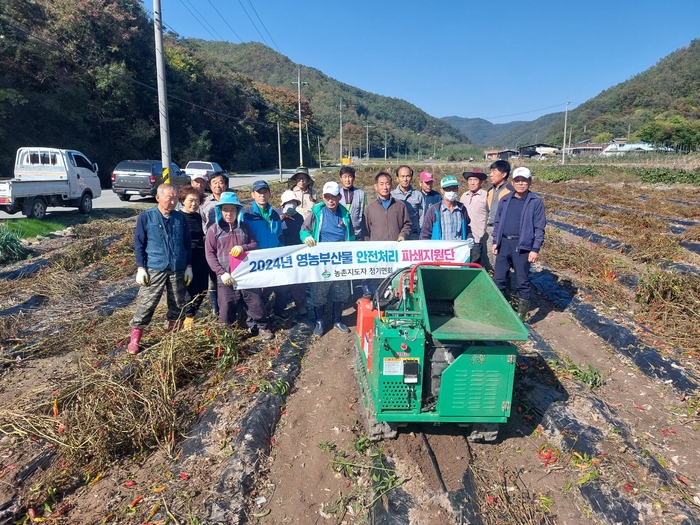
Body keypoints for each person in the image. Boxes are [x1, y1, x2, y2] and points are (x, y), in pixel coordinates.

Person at [127, 184, 193, 354]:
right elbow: (139, 243)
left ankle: (173, 335)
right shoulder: (147, 217)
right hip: (155, 267)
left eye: (175, 198)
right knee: (147, 303)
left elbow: (187, 243)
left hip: (177, 267)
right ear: (158, 198)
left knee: (178, 303)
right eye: (169, 198)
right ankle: (135, 339)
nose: (172, 201)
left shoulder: (180, 218)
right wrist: (140, 267)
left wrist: (188, 266)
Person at [205, 192, 273, 341]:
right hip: (226, 276)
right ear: (220, 211)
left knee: (254, 301)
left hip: (246, 273)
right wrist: (221, 273)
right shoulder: (213, 230)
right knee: (226, 305)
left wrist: (243, 247)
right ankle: (225, 331)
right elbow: (209, 254)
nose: (229, 213)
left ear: (238, 211)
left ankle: (262, 326)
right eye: (225, 210)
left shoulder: (244, 227)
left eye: (232, 210)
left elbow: (255, 244)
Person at [300, 181, 355, 336]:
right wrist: (306, 238)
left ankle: (337, 319)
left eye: (334, 197)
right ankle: (320, 321)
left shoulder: (345, 214)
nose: (331, 200)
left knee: (340, 291)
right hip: (322, 260)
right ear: (323, 198)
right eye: (327, 197)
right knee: (319, 292)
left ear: (339, 197)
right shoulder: (318, 213)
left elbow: (351, 236)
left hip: (340, 261)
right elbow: (304, 230)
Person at [491, 167, 546, 321]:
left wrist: (535, 249)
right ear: (513, 182)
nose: (521, 184)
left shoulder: (535, 202)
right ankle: (499, 310)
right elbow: (498, 221)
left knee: (522, 280)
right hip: (504, 244)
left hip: (522, 246)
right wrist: (496, 241)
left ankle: (521, 316)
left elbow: (539, 227)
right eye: (518, 180)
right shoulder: (506, 200)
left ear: (529, 182)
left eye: (524, 180)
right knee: (499, 279)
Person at [242, 180, 285, 319]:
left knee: (280, 287)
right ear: (252, 195)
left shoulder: (274, 215)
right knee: (257, 292)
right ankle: (255, 319)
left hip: (274, 258)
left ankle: (278, 311)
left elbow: (280, 236)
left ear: (269, 194)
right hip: (256, 260)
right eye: (259, 192)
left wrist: (282, 253)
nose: (262, 195)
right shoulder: (246, 215)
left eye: (265, 192)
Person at [179, 185, 209, 330]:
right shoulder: (178, 217)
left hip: (201, 256)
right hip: (187, 259)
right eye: (190, 200)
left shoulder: (197, 216)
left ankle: (192, 315)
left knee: (203, 288)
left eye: (197, 201)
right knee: (190, 291)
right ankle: (188, 319)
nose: (194, 204)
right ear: (183, 201)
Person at [199, 171, 229, 316]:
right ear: (210, 186)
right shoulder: (204, 203)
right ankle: (215, 307)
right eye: (215, 182)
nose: (218, 185)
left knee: (228, 273)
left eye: (221, 182)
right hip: (211, 243)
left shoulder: (231, 200)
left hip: (228, 243)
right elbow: (201, 222)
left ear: (226, 185)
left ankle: (229, 304)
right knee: (213, 275)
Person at [274, 190, 308, 317]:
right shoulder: (275, 215)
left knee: (298, 281)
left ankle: (301, 305)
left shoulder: (299, 217)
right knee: (281, 284)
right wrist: (279, 220)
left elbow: (301, 233)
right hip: (280, 253)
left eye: (294, 202)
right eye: (289, 202)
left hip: (295, 253)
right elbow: (272, 231)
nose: (292, 204)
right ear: (283, 204)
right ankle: (280, 308)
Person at [420, 175, 475, 247]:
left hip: (458, 252)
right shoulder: (434, 210)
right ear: (442, 190)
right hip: (440, 252)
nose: (451, 191)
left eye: (454, 188)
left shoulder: (462, 209)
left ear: (457, 189)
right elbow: (425, 234)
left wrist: (470, 238)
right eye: (448, 189)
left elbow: (466, 228)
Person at [364, 172, 412, 243]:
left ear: (391, 186)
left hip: (395, 248)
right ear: (376, 186)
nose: (385, 187)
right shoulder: (370, 208)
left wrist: (403, 235)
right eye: (381, 184)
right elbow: (366, 231)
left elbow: (407, 224)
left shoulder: (400, 205)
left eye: (387, 184)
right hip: (377, 249)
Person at [485, 160, 512, 272]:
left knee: (500, 260)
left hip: (503, 230)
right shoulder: (491, 190)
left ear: (504, 174)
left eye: (494, 171)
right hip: (489, 227)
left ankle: (504, 286)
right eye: (490, 172)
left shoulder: (510, 191)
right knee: (488, 258)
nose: (490, 175)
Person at [460, 170, 489, 265]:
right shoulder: (464, 196)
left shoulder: (486, 196)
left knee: (477, 264)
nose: (472, 183)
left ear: (481, 182)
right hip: (466, 239)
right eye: (470, 180)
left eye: (475, 180)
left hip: (479, 237)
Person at [390, 165, 424, 239]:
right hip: (397, 235)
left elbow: (422, 216)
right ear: (397, 178)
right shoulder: (392, 196)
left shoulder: (418, 195)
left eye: (408, 176)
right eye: (402, 176)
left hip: (414, 235)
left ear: (411, 178)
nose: (405, 179)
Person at [338, 166, 367, 239]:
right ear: (341, 178)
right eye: (345, 177)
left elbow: (365, 213)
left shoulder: (361, 194)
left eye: (350, 177)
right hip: (341, 232)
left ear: (353, 178)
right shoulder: (337, 194)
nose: (347, 180)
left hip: (357, 233)